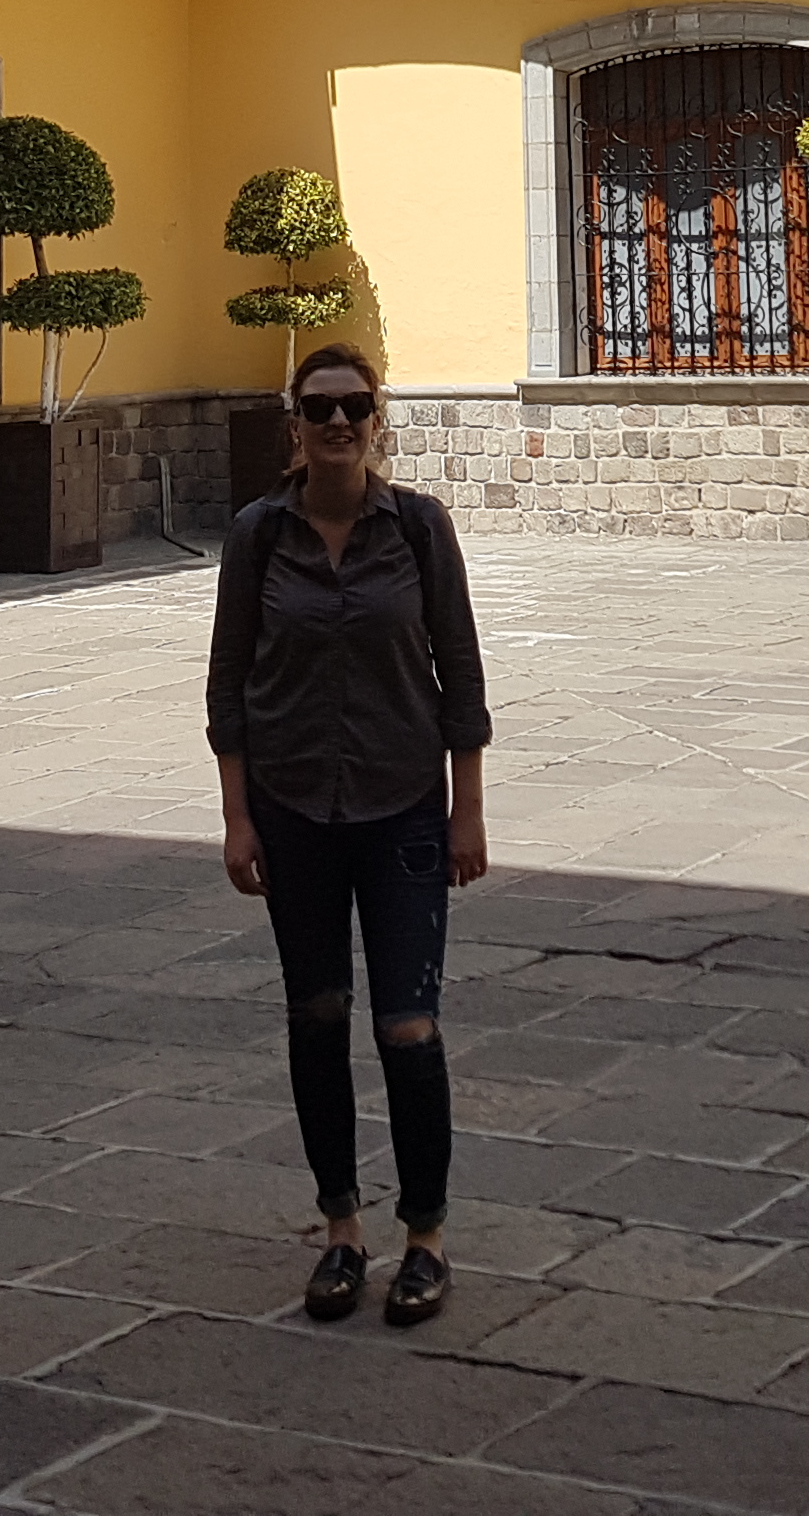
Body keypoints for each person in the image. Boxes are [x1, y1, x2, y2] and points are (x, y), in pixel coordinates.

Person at [204, 345, 491, 1326]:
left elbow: (459, 670)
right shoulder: (257, 536)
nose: (337, 423)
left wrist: (467, 807)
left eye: (354, 407)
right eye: (319, 408)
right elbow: (229, 682)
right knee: (318, 1016)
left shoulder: (418, 528)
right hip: (292, 810)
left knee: (408, 1026)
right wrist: (238, 816)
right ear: (293, 424)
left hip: (402, 805)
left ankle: (425, 1238)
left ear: (378, 421)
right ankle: (341, 1230)